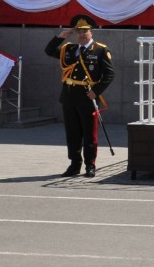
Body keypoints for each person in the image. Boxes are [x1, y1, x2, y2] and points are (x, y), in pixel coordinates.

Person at [45, 14, 114, 178]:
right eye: (78, 31)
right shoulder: (69, 49)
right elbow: (49, 51)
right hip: (69, 96)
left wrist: (96, 91)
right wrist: (60, 37)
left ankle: (90, 165)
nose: (82, 34)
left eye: (85, 31)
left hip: (87, 96)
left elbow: (109, 74)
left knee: (89, 133)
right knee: (72, 133)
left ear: (91, 31)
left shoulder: (100, 50)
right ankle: (74, 165)